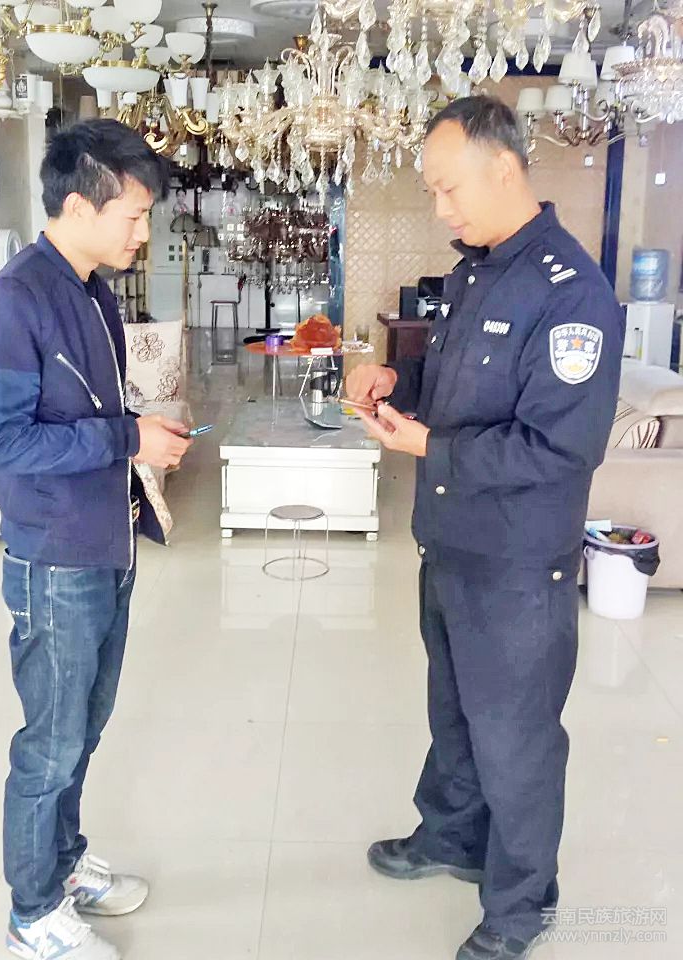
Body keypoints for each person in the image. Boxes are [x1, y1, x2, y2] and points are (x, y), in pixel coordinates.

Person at [346, 95, 625, 960]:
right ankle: (453, 837)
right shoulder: (476, 273)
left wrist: (429, 446)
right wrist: (396, 384)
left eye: (448, 188)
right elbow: (457, 387)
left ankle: (522, 904)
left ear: (504, 169)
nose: (441, 209)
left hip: (516, 563)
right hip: (452, 542)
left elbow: (560, 447)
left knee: (517, 740)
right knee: (457, 714)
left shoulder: (572, 294)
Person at [0, 119, 192, 960]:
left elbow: (87, 413)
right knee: (51, 742)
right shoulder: (13, 303)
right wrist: (127, 439)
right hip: (55, 559)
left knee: (84, 727)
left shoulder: (94, 291)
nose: (143, 231)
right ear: (78, 205)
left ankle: (61, 864)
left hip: (104, 545)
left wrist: (136, 433)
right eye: (133, 215)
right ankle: (30, 916)